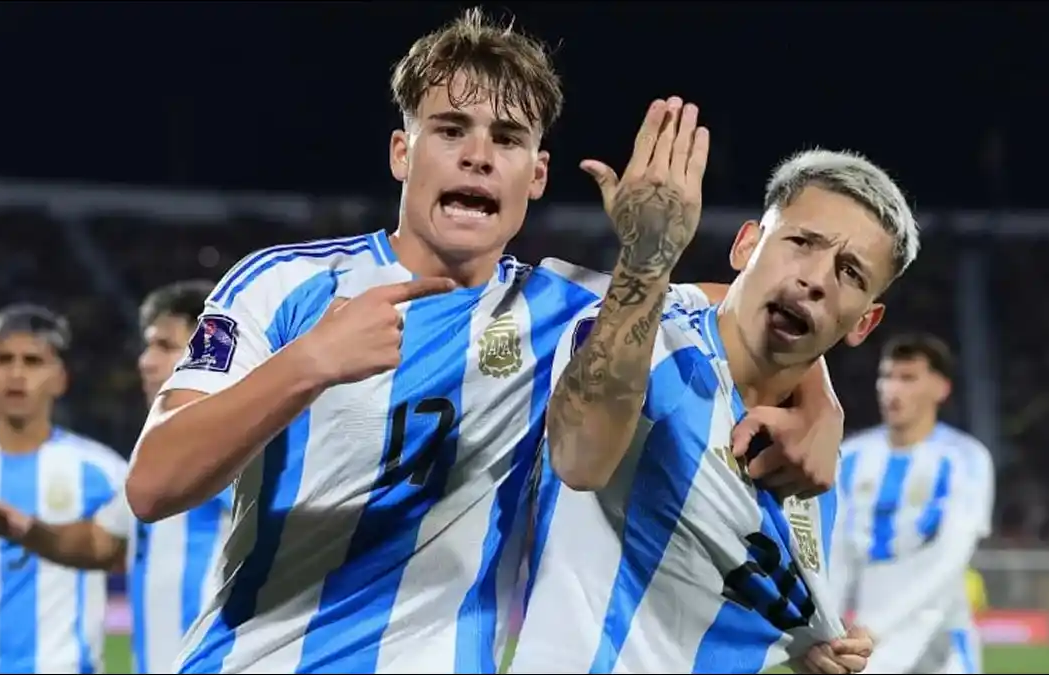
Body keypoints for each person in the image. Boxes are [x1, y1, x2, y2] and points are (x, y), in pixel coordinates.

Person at [125, 10, 846, 674]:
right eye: (450, 130)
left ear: (536, 175)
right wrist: (309, 363)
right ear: (402, 152)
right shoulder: (286, 284)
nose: (478, 156)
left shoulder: (571, 312)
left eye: (506, 139)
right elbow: (154, 485)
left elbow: (752, 315)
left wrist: (822, 406)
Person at [514, 104, 918, 673]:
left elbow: (771, 610)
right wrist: (646, 257)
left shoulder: (814, 475)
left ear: (864, 323)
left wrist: (816, 647)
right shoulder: (642, 342)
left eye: (850, 272)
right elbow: (578, 460)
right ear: (746, 246)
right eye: (801, 242)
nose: (815, 278)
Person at [0, 281, 232, 674]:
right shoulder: (159, 455)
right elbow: (100, 542)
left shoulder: (243, 448)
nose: (145, 362)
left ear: (211, 353)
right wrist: (27, 530)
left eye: (164, 346)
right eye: (148, 346)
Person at [0, 304, 127, 673]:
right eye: (4, 360)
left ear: (60, 378)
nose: (16, 374)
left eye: (33, 361)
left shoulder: (104, 471)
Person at [831, 333, 995, 674]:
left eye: (908, 378)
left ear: (941, 388)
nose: (892, 389)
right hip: (869, 633)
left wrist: (878, 624)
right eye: (887, 376)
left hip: (938, 628)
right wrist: (829, 622)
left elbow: (952, 553)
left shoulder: (965, 458)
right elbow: (837, 550)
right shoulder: (850, 456)